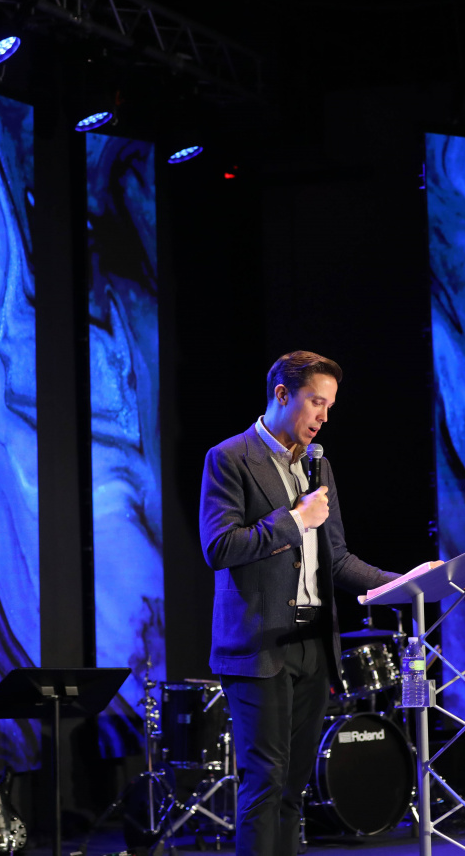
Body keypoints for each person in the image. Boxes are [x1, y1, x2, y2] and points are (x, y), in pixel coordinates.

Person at [198, 350, 397, 856]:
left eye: (330, 406)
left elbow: (337, 559)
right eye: (315, 402)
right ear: (282, 395)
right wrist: (293, 520)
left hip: (313, 644)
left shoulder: (318, 465)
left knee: (293, 789)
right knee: (265, 781)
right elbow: (219, 547)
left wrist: (404, 583)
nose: (323, 417)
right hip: (259, 645)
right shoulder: (229, 458)